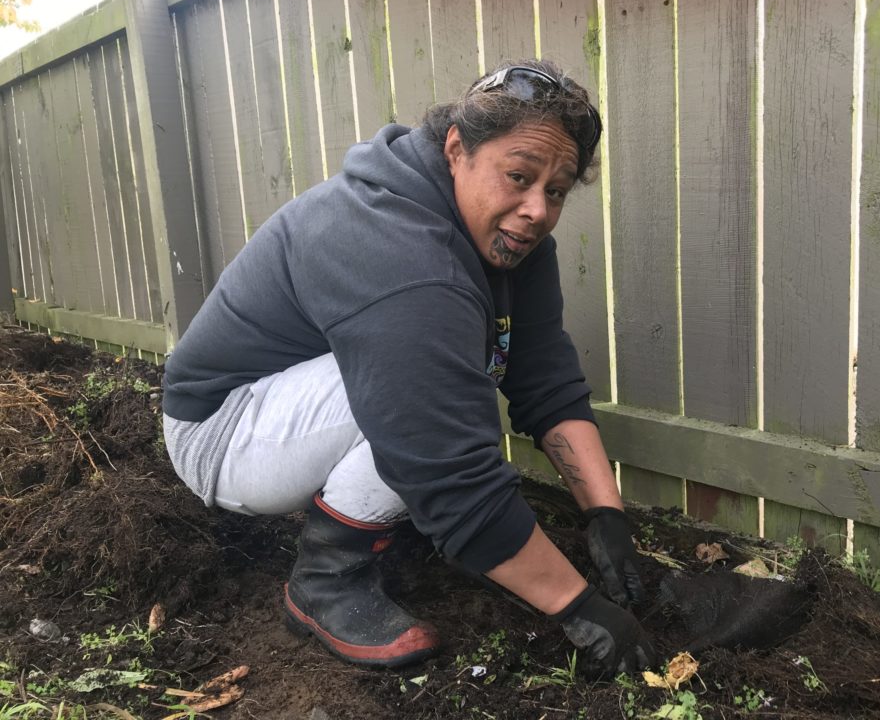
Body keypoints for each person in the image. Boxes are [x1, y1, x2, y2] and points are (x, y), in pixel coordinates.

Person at [161, 58, 655, 675]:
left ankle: (362, 519)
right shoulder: (400, 247)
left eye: (554, 190)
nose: (536, 209)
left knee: (436, 389)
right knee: (428, 403)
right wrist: (579, 607)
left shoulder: (511, 241)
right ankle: (325, 579)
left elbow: (544, 379)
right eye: (518, 175)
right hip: (223, 434)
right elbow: (444, 461)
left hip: (302, 404)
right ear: (457, 149)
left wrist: (604, 515)